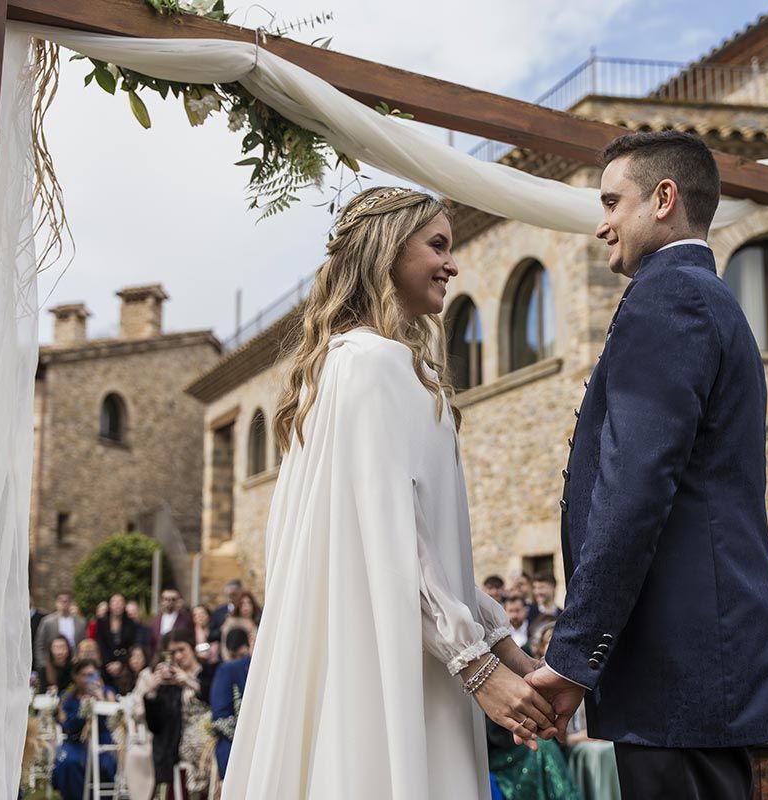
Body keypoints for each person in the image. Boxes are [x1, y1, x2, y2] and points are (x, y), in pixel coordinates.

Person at [223, 187, 554, 799]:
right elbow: (395, 547)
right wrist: (479, 668)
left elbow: (428, 551)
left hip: (410, 652)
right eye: (437, 245)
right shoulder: (371, 365)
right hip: (389, 668)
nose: (452, 265)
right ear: (385, 252)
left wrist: (505, 647)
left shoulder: (364, 367)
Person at [525, 131, 768, 800]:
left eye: (613, 201)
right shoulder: (706, 296)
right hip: (702, 678)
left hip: (683, 679)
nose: (601, 225)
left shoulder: (669, 297)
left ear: (664, 199)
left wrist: (573, 656)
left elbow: (634, 488)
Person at [136, 627, 214, 798]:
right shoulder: (168, 682)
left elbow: (215, 699)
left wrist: (189, 682)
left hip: (212, 729)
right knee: (202, 745)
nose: (178, 656)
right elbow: (155, 726)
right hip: (182, 738)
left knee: (214, 746)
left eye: (182, 650)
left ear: (192, 647)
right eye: (173, 652)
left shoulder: (208, 671)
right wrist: (152, 692)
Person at [52, 659, 117, 800]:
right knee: (69, 762)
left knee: (105, 764)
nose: (89, 678)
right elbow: (67, 726)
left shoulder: (108, 693)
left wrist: (100, 698)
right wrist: (82, 711)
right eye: (84, 675)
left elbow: (113, 722)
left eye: (92, 674)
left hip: (102, 739)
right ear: (76, 677)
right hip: (76, 741)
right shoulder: (68, 697)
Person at [211, 627, 253, 781]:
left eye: (241, 655)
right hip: (235, 751)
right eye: (233, 656)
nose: (238, 660)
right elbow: (220, 718)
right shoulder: (227, 670)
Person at [96, 593, 141, 689]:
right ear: (109, 604)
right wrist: (109, 664)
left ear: (124, 605)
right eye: (114, 601)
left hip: (124, 665)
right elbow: (101, 645)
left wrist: (120, 663)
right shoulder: (101, 622)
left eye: (120, 602)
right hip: (106, 666)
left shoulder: (131, 623)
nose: (117, 604)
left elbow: (132, 646)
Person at [34, 591, 86, 670]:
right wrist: (42, 664)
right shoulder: (47, 621)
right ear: (56, 603)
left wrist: (80, 658)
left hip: (74, 662)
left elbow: (83, 643)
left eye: (66, 601)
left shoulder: (81, 622)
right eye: (61, 601)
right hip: (52, 664)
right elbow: (39, 644)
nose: (64, 603)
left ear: (71, 603)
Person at [146, 588, 192, 662]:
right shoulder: (154, 621)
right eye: (166, 599)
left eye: (173, 599)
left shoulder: (186, 620)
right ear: (161, 601)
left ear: (178, 601)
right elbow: (151, 644)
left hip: (179, 659)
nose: (170, 602)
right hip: (158, 659)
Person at [220, 592, 261, 661]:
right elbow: (224, 644)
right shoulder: (231, 622)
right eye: (242, 603)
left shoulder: (258, 622)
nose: (246, 607)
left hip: (252, 659)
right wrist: (228, 661)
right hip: (233, 660)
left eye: (249, 603)